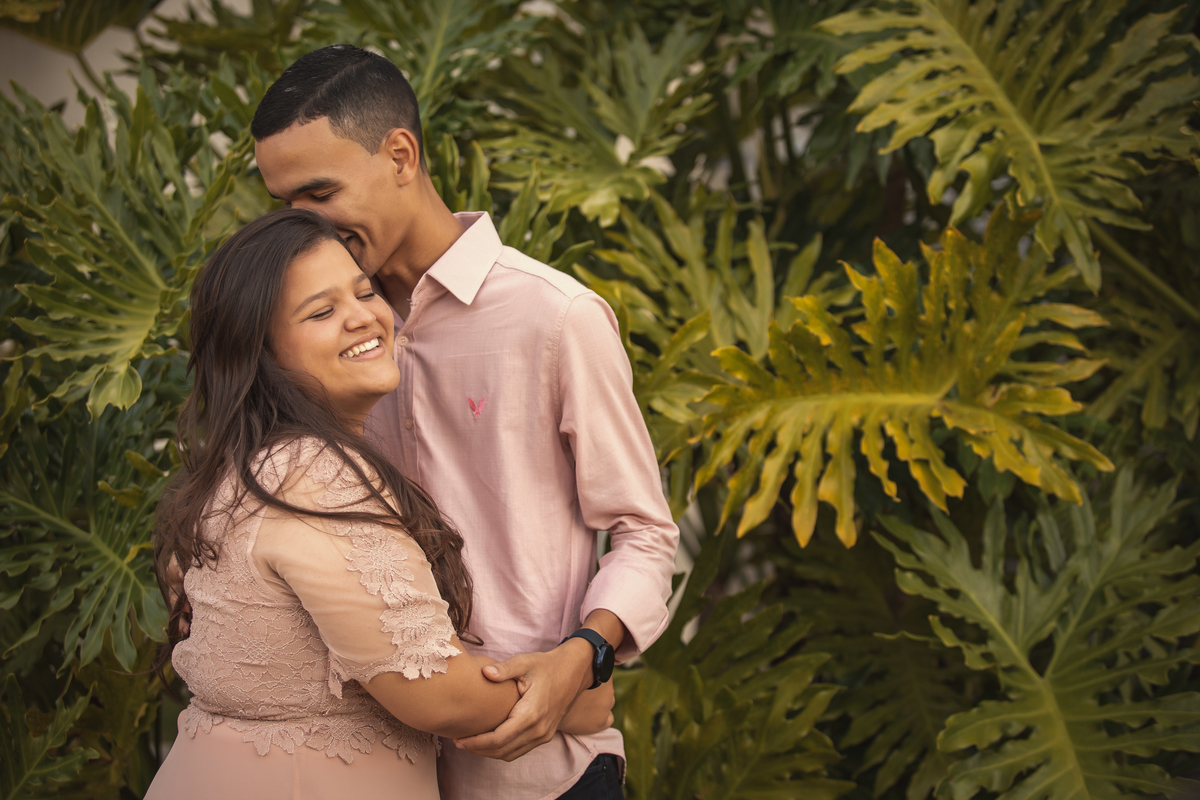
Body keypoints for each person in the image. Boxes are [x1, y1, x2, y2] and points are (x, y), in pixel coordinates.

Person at [250, 45, 680, 799]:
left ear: (400, 155)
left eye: (319, 193)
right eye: (285, 205)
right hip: (381, 768)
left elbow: (645, 533)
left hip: (546, 772)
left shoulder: (557, 317)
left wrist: (582, 657)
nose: (303, 226)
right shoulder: (317, 340)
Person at [146, 209, 613, 800]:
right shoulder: (314, 476)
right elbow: (434, 692)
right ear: (259, 354)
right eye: (321, 312)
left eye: (363, 292)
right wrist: (575, 697)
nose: (362, 316)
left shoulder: (249, 466)